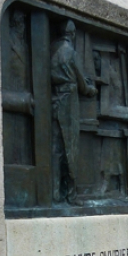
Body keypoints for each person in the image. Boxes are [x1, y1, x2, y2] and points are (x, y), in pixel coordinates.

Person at [50, 20, 96, 202]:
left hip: (54, 101)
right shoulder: (71, 52)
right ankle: (70, 195)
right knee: (71, 147)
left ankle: (54, 193)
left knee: (56, 149)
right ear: (72, 34)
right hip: (69, 102)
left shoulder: (52, 49)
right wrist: (91, 89)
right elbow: (83, 85)